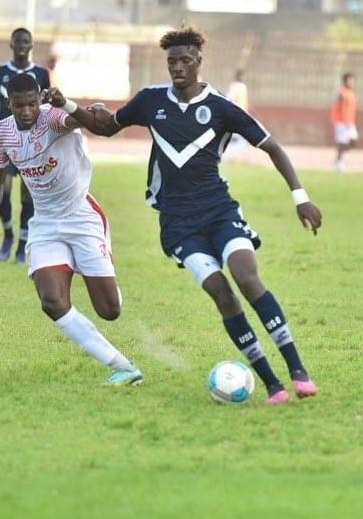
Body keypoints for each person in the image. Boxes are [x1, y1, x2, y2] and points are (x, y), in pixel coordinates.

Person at [84, 27, 323, 404]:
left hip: (219, 212)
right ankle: (272, 384)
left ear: (199, 61)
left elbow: (273, 148)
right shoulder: (150, 101)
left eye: (185, 60)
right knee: (222, 295)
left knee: (246, 276)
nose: (177, 67)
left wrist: (300, 197)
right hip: (179, 226)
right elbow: (107, 126)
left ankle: (298, 371)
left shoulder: (222, 108)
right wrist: (73, 108)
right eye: (171, 61)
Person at [0, 73, 143, 386]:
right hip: (44, 223)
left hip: (81, 216)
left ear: (38, 99)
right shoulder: (1, 133)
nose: (27, 111)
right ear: (9, 105)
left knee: (109, 310)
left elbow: (95, 125)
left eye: (31, 104)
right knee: (52, 302)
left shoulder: (53, 118)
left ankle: (101, 275)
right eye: (19, 106)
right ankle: (121, 366)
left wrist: (67, 104)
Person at [0, 28, 52, 263]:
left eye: (26, 41)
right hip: (7, 142)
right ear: (11, 44)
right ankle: (8, 235)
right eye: (18, 41)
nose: (22, 45)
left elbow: (46, 107)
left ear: (31, 45)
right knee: (2, 191)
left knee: (28, 196)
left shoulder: (41, 73)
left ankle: (23, 245)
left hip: (33, 144)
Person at [330, 72, 358, 172]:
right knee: (342, 142)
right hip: (341, 121)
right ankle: (339, 161)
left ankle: (338, 158)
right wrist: (344, 120)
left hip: (350, 121)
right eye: (349, 80)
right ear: (345, 81)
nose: (351, 82)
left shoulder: (351, 93)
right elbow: (340, 107)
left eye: (353, 80)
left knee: (353, 141)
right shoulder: (341, 93)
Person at [223, 69, 250, 158]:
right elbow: (229, 99)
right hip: (237, 114)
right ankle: (231, 155)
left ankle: (232, 155)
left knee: (239, 137)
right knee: (238, 136)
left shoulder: (240, 86)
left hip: (241, 114)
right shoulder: (237, 86)